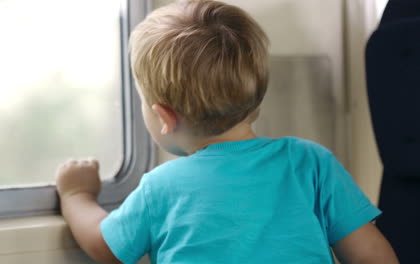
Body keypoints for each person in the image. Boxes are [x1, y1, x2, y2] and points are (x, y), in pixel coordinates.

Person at [55, 1, 399, 263]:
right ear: (256, 99)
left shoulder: (160, 188)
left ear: (164, 116)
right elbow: (372, 256)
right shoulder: (310, 162)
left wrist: (76, 197)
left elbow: (105, 247)